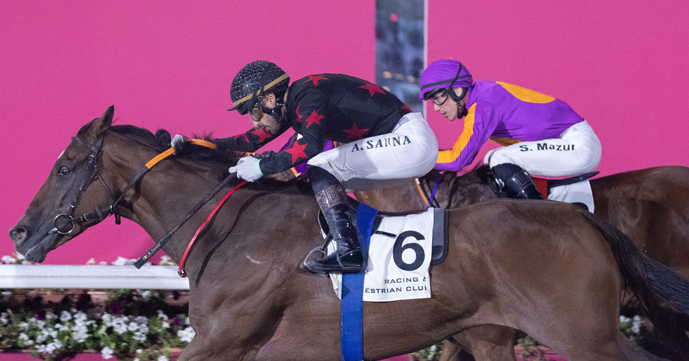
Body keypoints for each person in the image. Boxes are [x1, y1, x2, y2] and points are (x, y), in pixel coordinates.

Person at [173, 61, 438, 275]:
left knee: (320, 166)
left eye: (253, 112)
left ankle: (349, 252)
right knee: (317, 183)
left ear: (269, 99)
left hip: (411, 141)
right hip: (403, 144)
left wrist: (263, 166)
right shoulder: (293, 104)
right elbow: (250, 141)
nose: (254, 122)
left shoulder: (307, 95)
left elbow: (310, 146)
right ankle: (356, 242)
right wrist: (195, 146)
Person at [420, 59, 601, 200]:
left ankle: (539, 214)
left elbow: (457, 160)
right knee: (489, 161)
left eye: (437, 98)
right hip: (569, 142)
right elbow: (462, 156)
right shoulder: (482, 96)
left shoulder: (483, 105)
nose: (436, 107)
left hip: (578, 145)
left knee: (498, 158)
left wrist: (417, 158)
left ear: (457, 90)